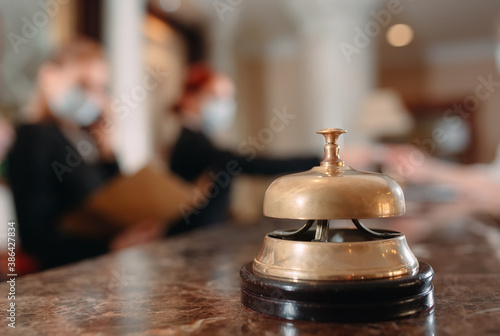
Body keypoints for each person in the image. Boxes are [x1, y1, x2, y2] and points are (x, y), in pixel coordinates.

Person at [8, 38, 163, 270]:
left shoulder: (79, 138)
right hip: (61, 285)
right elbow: (35, 238)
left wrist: (108, 150)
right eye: (83, 84)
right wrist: (111, 247)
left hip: (97, 278)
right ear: (50, 77)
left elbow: (115, 198)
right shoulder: (34, 137)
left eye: (100, 87)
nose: (93, 96)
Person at [167, 64, 320, 234]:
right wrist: (318, 160)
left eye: (228, 99)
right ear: (190, 98)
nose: (225, 106)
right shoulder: (193, 143)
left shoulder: (196, 139)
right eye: (217, 97)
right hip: (191, 241)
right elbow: (254, 164)